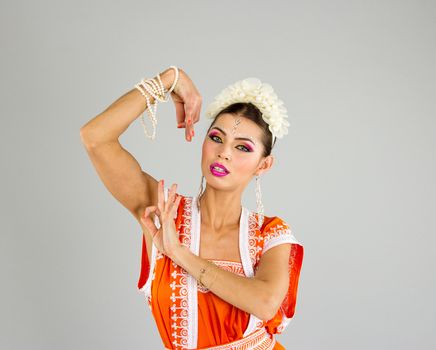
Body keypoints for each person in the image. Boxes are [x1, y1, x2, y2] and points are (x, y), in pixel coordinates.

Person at [80, 66, 304, 349]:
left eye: (243, 148)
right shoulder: (163, 212)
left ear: (264, 165)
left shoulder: (270, 234)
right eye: (216, 138)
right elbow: (95, 138)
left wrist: (178, 254)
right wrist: (168, 80)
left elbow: (265, 303)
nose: (223, 152)